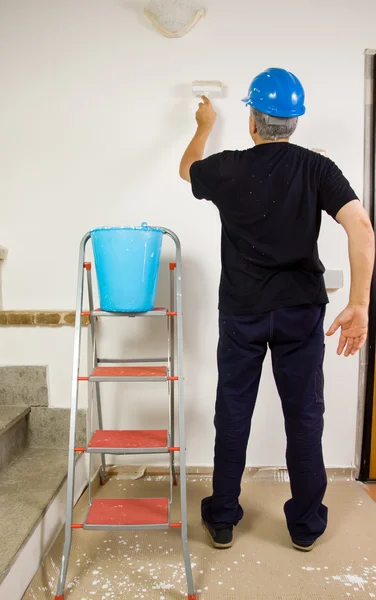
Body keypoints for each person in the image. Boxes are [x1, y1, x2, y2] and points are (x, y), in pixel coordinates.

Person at [179, 68, 375, 552]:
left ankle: (223, 517)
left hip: (243, 312)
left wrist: (203, 125)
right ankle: (306, 527)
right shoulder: (316, 168)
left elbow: (187, 169)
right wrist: (359, 303)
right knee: (305, 416)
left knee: (233, 412)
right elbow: (362, 229)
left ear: (252, 120)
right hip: (300, 312)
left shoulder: (226, 167)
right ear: (294, 122)